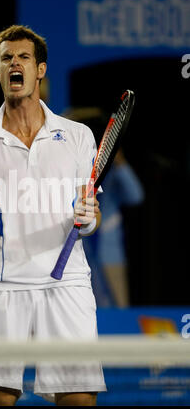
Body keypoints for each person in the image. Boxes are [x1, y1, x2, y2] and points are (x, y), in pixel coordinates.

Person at [0, 25, 106, 406]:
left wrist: (88, 219)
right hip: (3, 286)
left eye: (23, 57)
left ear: (40, 70)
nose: (14, 64)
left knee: (79, 404)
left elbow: (91, 216)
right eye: (6, 58)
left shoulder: (78, 137)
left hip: (67, 284)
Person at [64, 107, 144, 307]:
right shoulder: (74, 169)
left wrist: (121, 163)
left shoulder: (115, 172)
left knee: (118, 310)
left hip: (110, 256)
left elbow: (136, 196)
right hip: (80, 256)